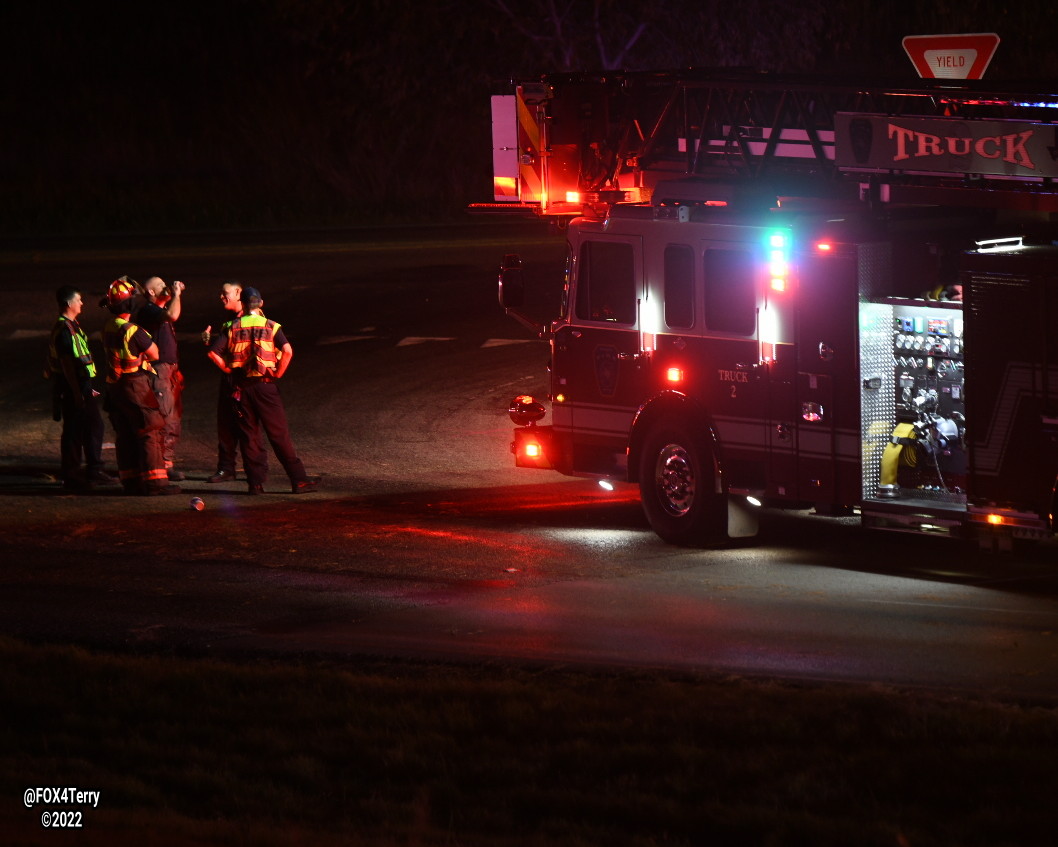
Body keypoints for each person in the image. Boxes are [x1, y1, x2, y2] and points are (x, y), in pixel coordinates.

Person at [207, 287, 317, 495]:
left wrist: (228, 369)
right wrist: (278, 373)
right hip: (265, 386)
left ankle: (255, 484)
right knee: (279, 434)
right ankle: (298, 480)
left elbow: (213, 353)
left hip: (241, 387)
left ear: (244, 304)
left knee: (249, 436)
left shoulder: (231, 326)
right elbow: (287, 351)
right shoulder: (271, 326)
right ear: (261, 304)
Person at [100, 276, 180, 496]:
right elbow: (154, 352)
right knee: (149, 430)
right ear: (128, 305)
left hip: (115, 388)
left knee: (125, 434)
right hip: (135, 385)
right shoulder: (133, 331)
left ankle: (131, 480)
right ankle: (156, 483)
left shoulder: (109, 326)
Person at [44, 286, 116, 492]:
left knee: (86, 428)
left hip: (78, 386)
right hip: (74, 387)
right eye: (79, 300)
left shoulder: (69, 326)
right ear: (69, 304)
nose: (82, 303)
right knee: (80, 431)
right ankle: (78, 474)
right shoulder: (65, 329)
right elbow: (67, 364)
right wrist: (77, 392)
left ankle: (83, 471)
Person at [135, 276, 185, 481]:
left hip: (169, 370)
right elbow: (173, 315)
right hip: (159, 371)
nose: (167, 287)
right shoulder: (149, 310)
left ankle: (166, 462)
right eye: (161, 286)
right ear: (152, 292)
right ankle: (163, 465)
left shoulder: (158, 311)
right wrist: (177, 294)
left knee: (173, 418)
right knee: (165, 418)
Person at [202, 280, 247, 483]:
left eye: (225, 293)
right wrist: (210, 340)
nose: (221, 297)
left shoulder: (247, 318)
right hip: (232, 378)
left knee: (245, 425)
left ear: (238, 293)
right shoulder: (231, 319)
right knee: (227, 425)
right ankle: (227, 468)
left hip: (242, 379)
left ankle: (251, 470)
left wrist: (227, 369)